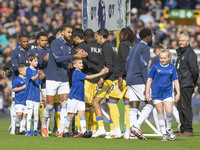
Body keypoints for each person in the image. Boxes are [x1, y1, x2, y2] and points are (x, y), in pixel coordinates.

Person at [41, 24, 88, 137]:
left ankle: (61, 130)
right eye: (68, 32)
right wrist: (74, 55)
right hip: (52, 78)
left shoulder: (68, 46)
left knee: (65, 105)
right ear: (62, 32)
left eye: (71, 32)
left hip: (64, 79)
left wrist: (78, 59)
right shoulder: (55, 43)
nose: (70, 34)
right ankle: (44, 125)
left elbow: (66, 62)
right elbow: (57, 59)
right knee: (50, 105)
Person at [62, 57, 108, 138]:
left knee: (82, 114)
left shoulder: (79, 72)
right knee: (71, 115)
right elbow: (89, 77)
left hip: (80, 98)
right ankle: (65, 131)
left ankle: (83, 131)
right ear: (74, 65)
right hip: (74, 97)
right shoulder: (76, 72)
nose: (82, 64)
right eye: (79, 63)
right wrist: (101, 73)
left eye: (82, 63)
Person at [145, 49, 180, 141]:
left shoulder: (172, 68)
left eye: (164, 58)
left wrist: (178, 93)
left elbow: (176, 81)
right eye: (161, 58)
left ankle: (168, 128)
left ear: (169, 58)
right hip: (156, 94)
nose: (162, 60)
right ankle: (164, 133)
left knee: (169, 111)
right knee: (160, 114)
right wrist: (147, 92)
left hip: (167, 93)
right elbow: (149, 79)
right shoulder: (155, 67)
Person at [126, 28, 153, 140]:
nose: (152, 39)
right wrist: (147, 84)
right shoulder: (145, 48)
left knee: (134, 106)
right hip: (138, 79)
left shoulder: (133, 48)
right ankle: (136, 127)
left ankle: (132, 134)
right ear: (147, 37)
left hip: (129, 80)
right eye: (151, 36)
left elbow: (126, 65)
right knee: (152, 102)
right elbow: (144, 66)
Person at [107, 27, 134, 139]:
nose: (119, 36)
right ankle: (127, 132)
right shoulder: (133, 46)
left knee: (112, 102)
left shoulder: (123, 45)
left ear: (125, 35)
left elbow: (124, 61)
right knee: (128, 105)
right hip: (130, 79)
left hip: (121, 78)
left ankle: (117, 130)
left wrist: (119, 76)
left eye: (121, 34)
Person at [92, 29, 116, 138]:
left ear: (101, 36)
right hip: (111, 78)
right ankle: (112, 130)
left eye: (96, 36)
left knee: (95, 102)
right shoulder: (109, 46)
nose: (95, 38)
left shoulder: (106, 47)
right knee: (109, 104)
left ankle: (102, 128)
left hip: (108, 79)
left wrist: (101, 78)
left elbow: (109, 65)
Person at [176, 33, 199, 136]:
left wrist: (193, 83)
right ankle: (183, 129)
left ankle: (188, 130)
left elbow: (195, 70)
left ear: (188, 42)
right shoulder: (181, 54)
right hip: (180, 84)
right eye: (180, 40)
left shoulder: (190, 53)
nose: (181, 42)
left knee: (186, 107)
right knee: (180, 107)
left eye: (183, 41)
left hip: (187, 84)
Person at [83, 28, 102, 136]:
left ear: (85, 37)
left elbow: (83, 64)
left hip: (89, 78)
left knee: (87, 104)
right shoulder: (101, 46)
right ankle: (96, 129)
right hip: (100, 78)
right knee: (96, 104)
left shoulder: (85, 47)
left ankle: (87, 127)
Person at [25, 53, 42, 136]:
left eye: (37, 61)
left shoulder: (36, 71)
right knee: (29, 112)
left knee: (36, 113)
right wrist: (38, 74)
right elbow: (33, 78)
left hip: (36, 95)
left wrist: (41, 95)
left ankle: (35, 130)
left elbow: (39, 84)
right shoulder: (28, 70)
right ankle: (28, 130)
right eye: (35, 61)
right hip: (29, 95)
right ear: (29, 61)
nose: (36, 62)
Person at [12, 63, 28, 135]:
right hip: (19, 100)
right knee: (19, 114)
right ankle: (17, 125)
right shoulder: (17, 80)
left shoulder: (28, 79)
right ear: (21, 71)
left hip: (26, 100)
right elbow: (13, 89)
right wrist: (22, 88)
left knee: (25, 114)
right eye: (26, 70)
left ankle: (22, 129)